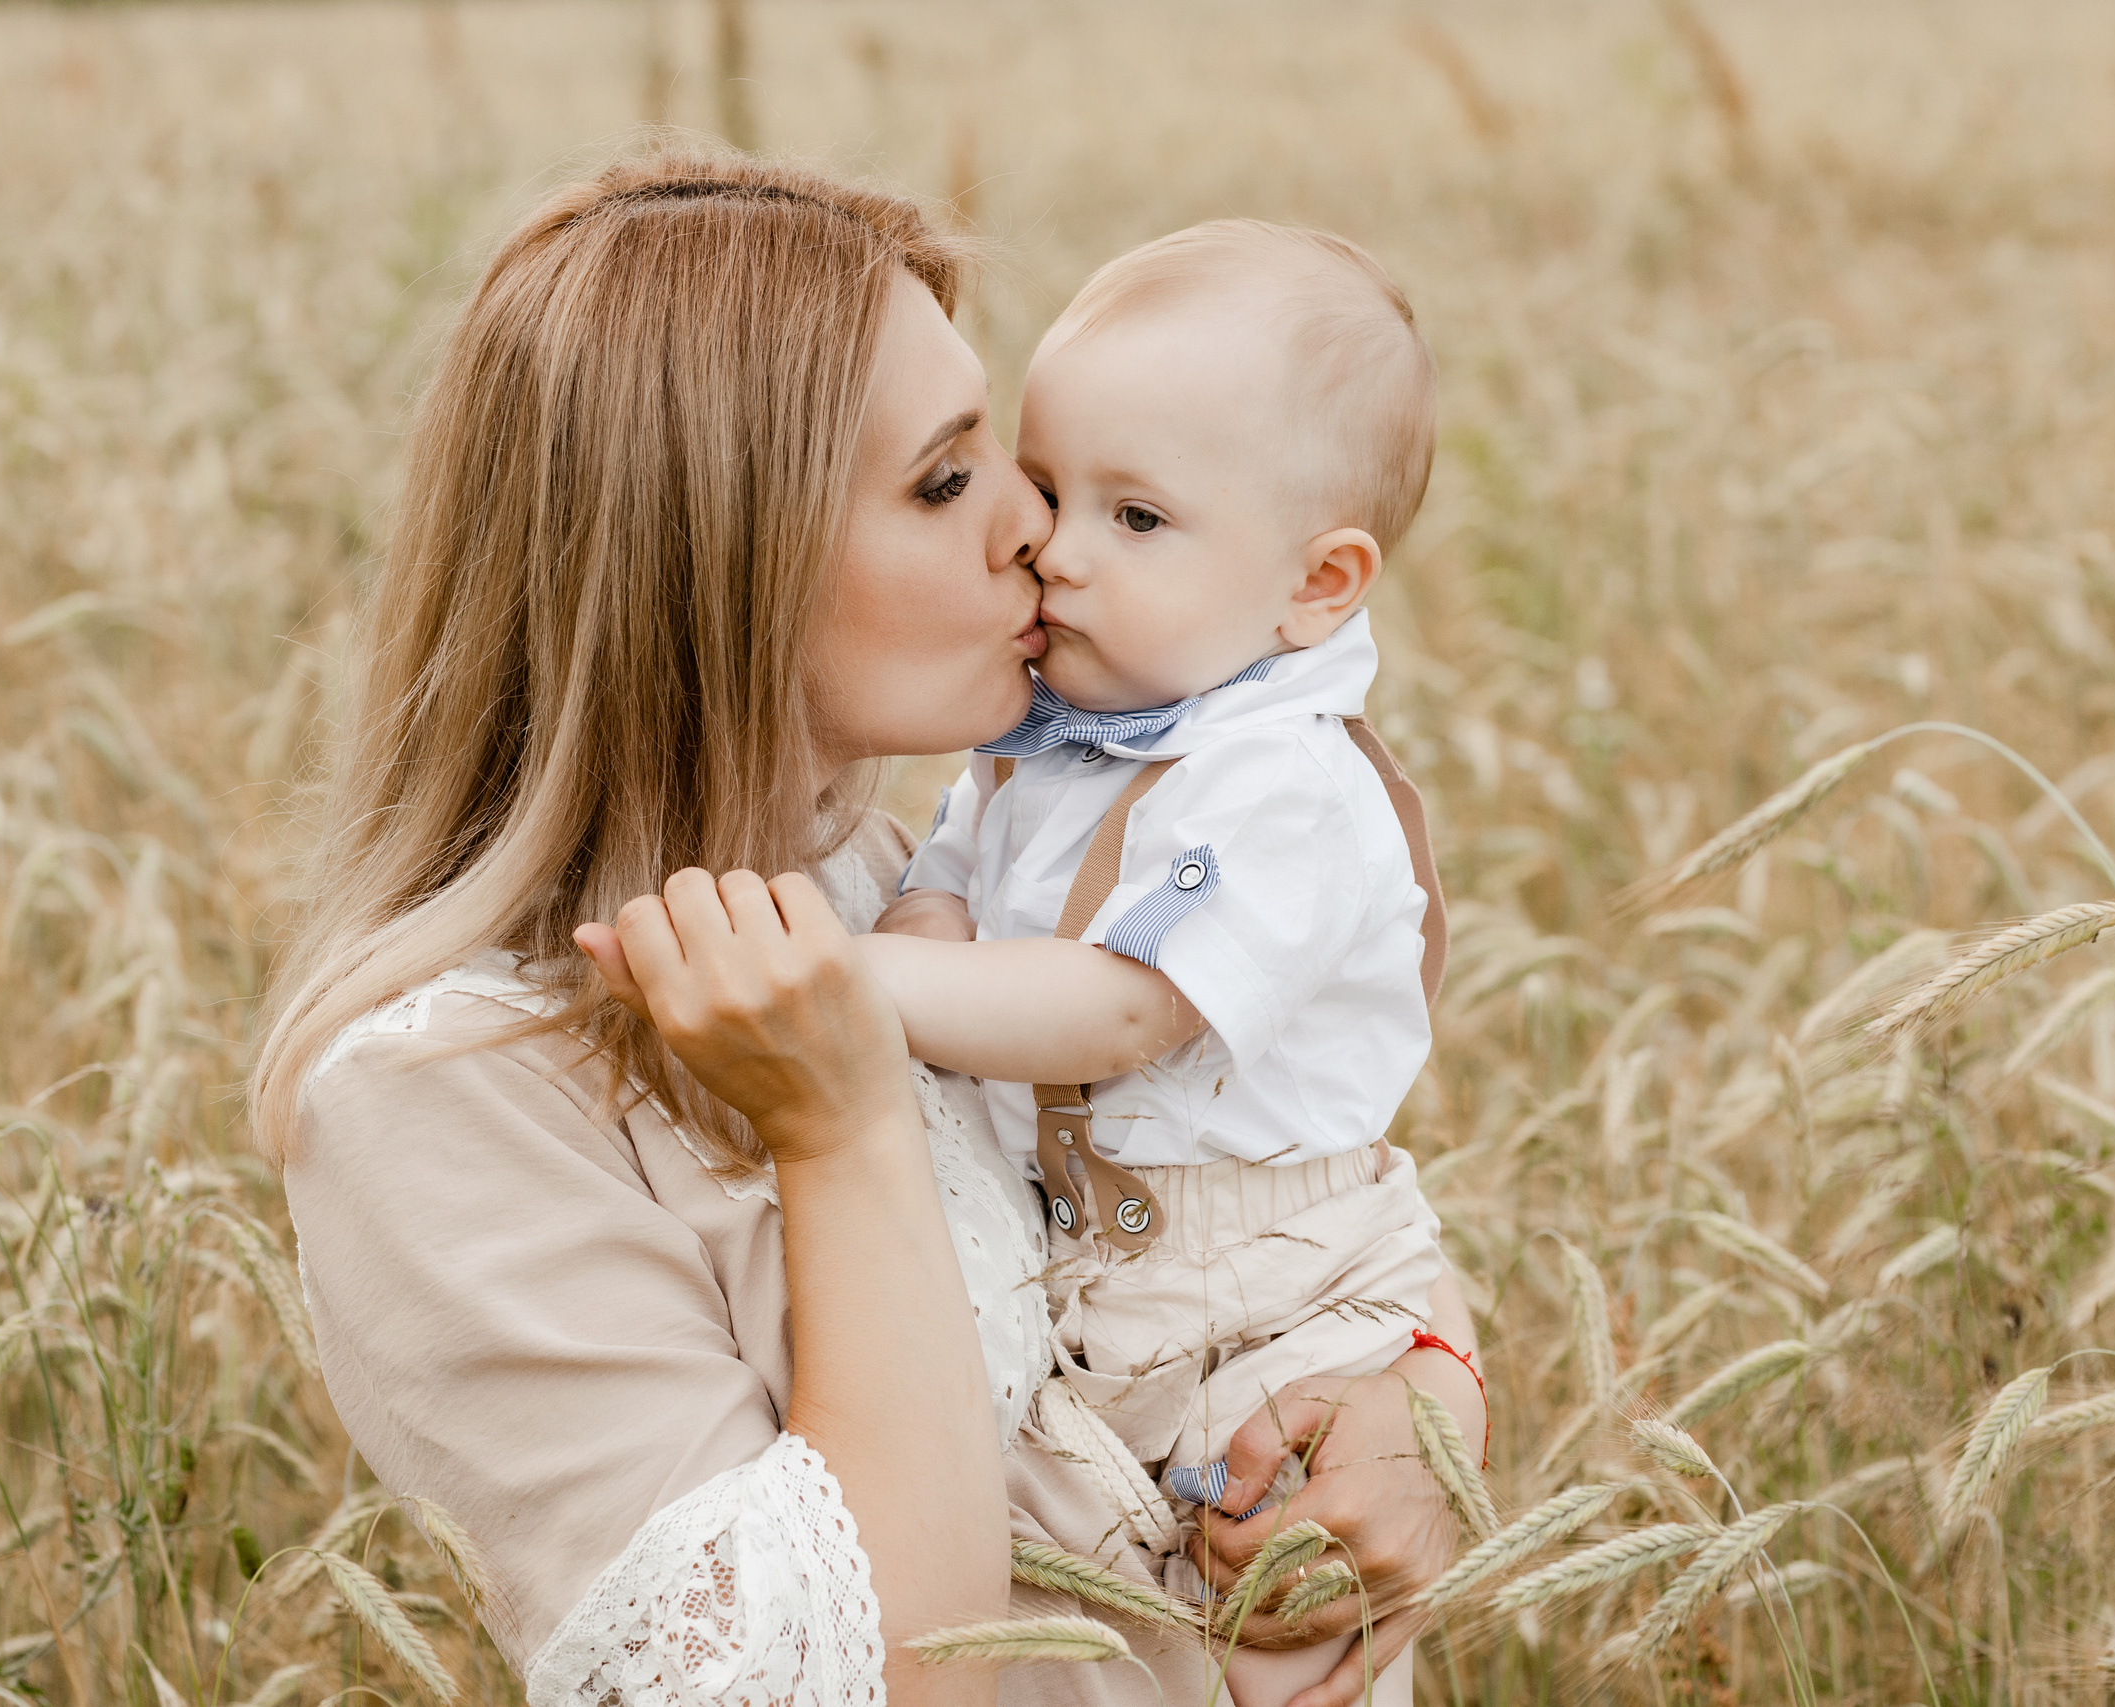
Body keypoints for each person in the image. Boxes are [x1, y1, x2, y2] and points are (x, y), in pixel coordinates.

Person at [251, 148, 1488, 1707]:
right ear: (716, 557)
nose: (1037, 533)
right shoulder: (443, 1097)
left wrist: (1423, 1409)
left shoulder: (902, 887)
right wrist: (837, 1132)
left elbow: (1282, 1181)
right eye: (948, 479)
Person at [857, 221, 1464, 1706]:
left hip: (1257, 1292)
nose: (1053, 547)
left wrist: (850, 986)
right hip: (1098, 1273)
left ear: (1317, 585)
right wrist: (919, 935)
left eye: (1137, 519)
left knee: (1271, 1620)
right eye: (1049, 488)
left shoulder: (1282, 787)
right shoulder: (1052, 740)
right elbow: (942, 892)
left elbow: (1123, 1005)